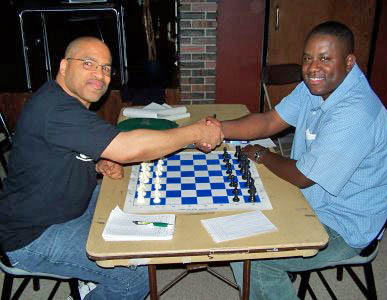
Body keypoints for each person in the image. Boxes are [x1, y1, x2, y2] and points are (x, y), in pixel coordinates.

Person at [0, 36, 223, 300]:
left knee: (140, 203)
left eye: (106, 68)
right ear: (63, 67)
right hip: (33, 235)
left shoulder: (65, 101)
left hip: (69, 206)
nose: (100, 74)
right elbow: (129, 148)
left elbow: (58, 151)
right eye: (88, 63)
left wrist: (97, 160)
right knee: (133, 277)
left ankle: (92, 281)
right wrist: (195, 132)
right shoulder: (55, 109)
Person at [212, 21, 387, 299]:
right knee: (236, 208)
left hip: (344, 224)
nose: (313, 68)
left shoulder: (355, 113)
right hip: (311, 198)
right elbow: (269, 121)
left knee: (252, 260)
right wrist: (217, 129)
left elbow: (302, 176)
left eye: (325, 58)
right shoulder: (317, 85)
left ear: (349, 62)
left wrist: (263, 155)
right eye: (308, 58)